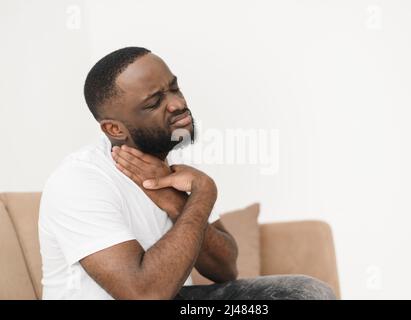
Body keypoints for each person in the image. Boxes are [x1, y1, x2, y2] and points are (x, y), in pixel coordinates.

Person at [38, 47, 335, 300]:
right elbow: (144, 294)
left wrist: (181, 204)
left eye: (174, 88)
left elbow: (225, 269)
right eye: (155, 102)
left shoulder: (168, 171)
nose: (178, 104)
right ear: (114, 129)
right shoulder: (80, 181)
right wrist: (204, 193)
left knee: (304, 293)